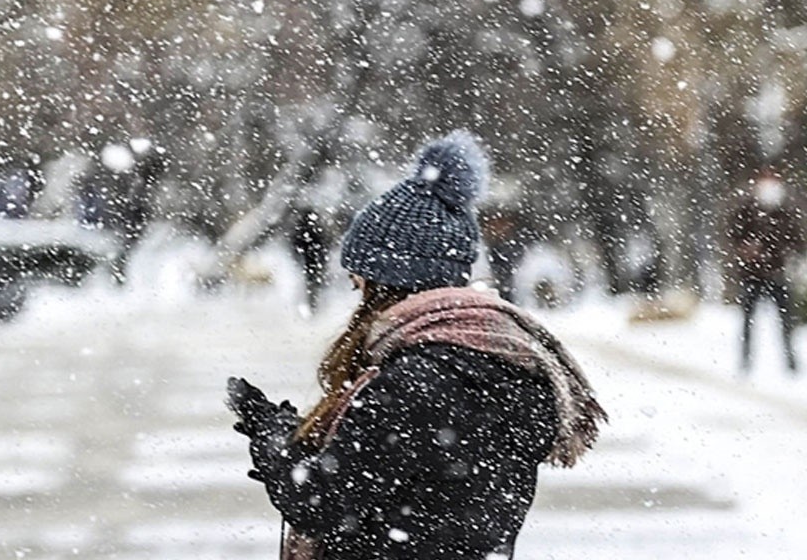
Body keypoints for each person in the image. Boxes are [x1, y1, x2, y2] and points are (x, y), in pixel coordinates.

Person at [226, 131, 606, 560]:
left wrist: (272, 434)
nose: (357, 288)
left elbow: (321, 503)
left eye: (362, 278)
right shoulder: (501, 361)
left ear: (391, 279)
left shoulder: (415, 381)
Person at [729, 168, 803, 374]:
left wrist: (786, 255)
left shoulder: (786, 209)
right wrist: (746, 249)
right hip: (751, 275)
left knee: (786, 320)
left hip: (777, 273)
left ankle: (791, 362)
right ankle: (745, 361)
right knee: (747, 321)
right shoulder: (746, 208)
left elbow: (797, 238)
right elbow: (733, 233)